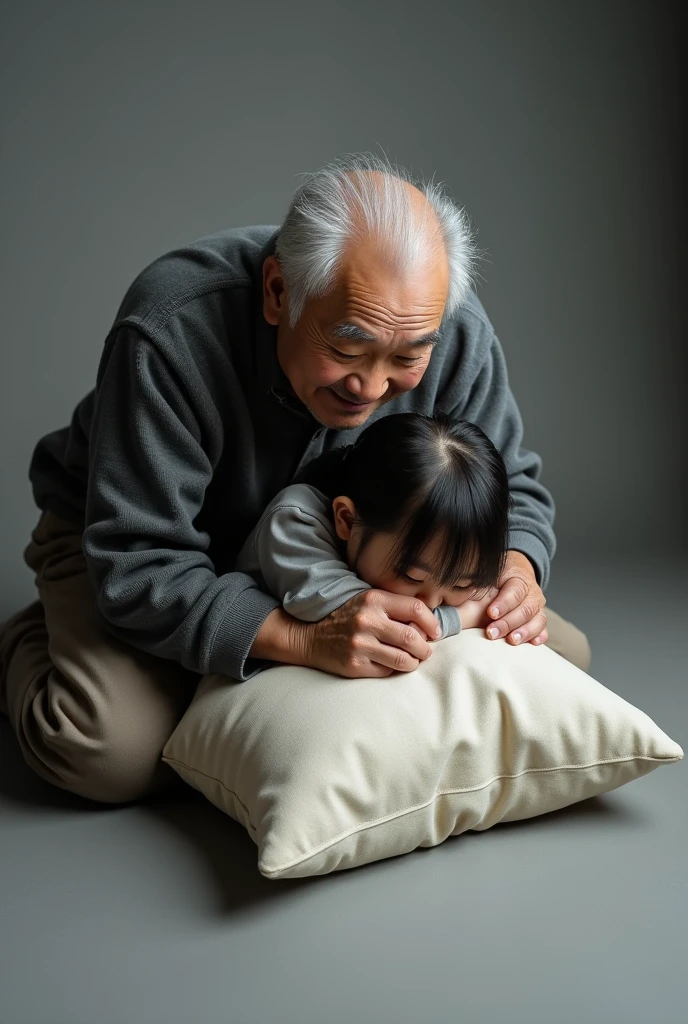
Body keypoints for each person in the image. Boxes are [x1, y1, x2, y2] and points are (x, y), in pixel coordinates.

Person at [0, 152, 591, 805]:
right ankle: (27, 641)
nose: (369, 388)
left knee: (561, 657)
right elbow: (139, 562)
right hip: (140, 551)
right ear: (279, 292)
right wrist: (306, 639)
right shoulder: (173, 325)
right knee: (108, 754)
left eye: (405, 358)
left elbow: (518, 491)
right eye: (345, 349)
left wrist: (516, 573)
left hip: (351, 558)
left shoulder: (450, 328)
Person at [235, 412, 512, 670]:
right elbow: (381, 627)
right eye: (412, 575)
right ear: (346, 520)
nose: (430, 603)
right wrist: (469, 615)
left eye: (462, 584)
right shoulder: (294, 524)